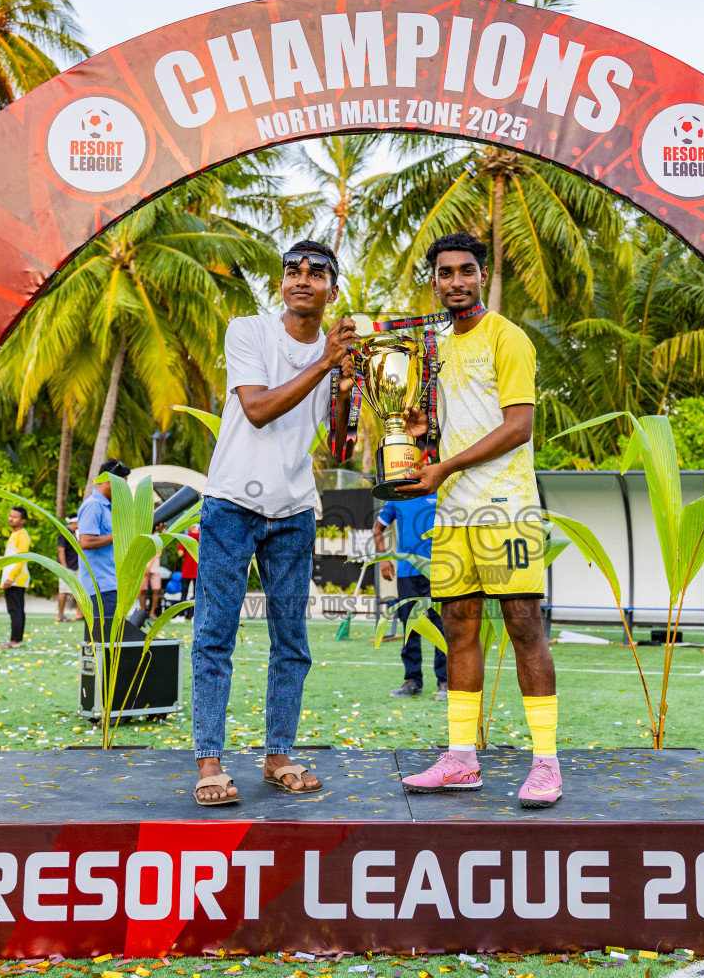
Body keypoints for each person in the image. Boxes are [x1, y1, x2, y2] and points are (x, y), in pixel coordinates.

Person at [394, 233, 562, 809]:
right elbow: (450, 426)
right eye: (445, 273)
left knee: (522, 626)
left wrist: (445, 466)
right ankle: (461, 760)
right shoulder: (435, 346)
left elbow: (519, 426)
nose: (456, 281)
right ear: (434, 281)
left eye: (467, 270)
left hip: (507, 506)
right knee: (458, 628)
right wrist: (422, 435)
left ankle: (545, 764)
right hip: (454, 512)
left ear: (482, 275)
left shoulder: (506, 337)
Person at [191, 239, 356, 807]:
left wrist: (354, 384)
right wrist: (326, 363)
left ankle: (278, 754)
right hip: (231, 502)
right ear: (281, 283)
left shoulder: (336, 354)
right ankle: (210, 760)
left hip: (294, 510)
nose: (302, 278)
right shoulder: (249, 331)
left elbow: (339, 442)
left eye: (316, 272)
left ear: (333, 290)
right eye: (292, 270)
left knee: (292, 642)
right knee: (215, 634)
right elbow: (258, 409)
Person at [374, 491, 447, 700]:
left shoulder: (441, 491)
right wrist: (383, 559)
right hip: (407, 573)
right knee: (410, 628)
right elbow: (378, 528)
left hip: (439, 571)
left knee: (441, 627)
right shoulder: (398, 495)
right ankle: (413, 681)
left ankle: (445, 682)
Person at [77, 459, 130, 643]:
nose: (124, 490)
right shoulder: (93, 505)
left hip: (112, 583)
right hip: (100, 588)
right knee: (104, 644)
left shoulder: (109, 508)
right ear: (108, 481)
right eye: (122, 484)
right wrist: (118, 534)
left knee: (115, 643)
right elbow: (85, 541)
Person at [0, 505, 31, 648]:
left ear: (22, 520)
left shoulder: (22, 536)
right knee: (16, 609)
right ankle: (16, 639)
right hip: (13, 578)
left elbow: (21, 559)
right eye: (10, 515)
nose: (11, 519)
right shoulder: (14, 534)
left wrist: (10, 578)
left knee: (15, 610)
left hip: (17, 579)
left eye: (15, 517)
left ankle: (15, 640)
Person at [56, 516, 78, 623]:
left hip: (75, 566)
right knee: (63, 590)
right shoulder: (65, 532)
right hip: (67, 567)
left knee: (79, 591)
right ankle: (60, 615)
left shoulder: (74, 533)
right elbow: (61, 550)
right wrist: (64, 567)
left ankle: (80, 615)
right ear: (75, 522)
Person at [179, 522, 199, 618]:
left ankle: (182, 614)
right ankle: (193, 615)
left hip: (187, 569)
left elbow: (180, 554)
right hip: (198, 570)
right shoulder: (202, 537)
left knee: (184, 593)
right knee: (197, 595)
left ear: (191, 526)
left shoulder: (186, 537)